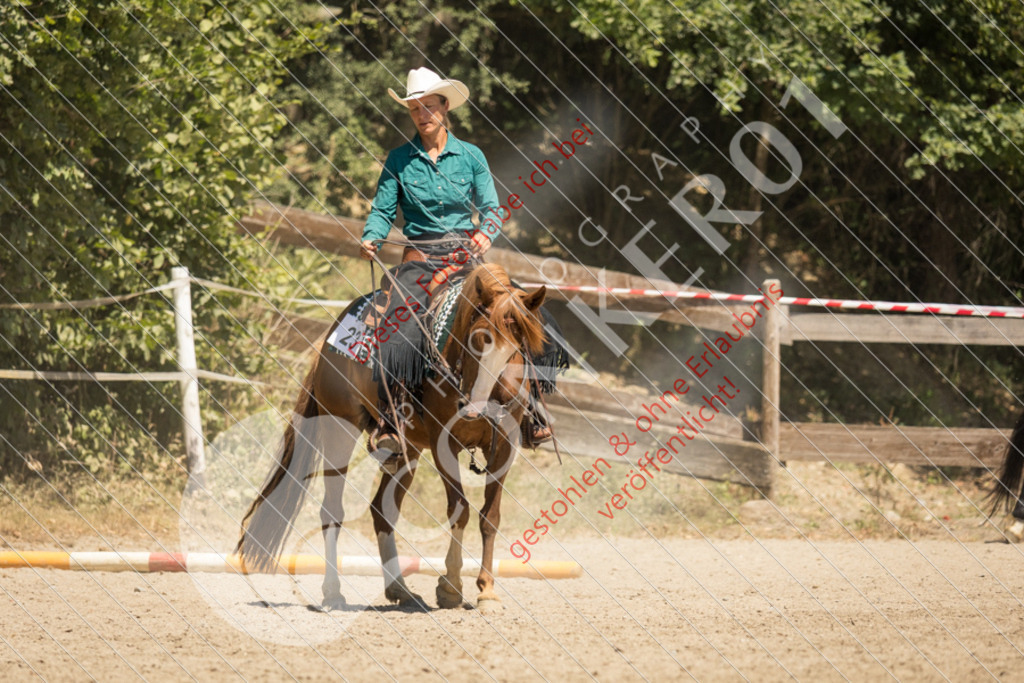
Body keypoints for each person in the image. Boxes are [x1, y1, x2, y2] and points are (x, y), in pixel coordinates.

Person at [359, 67, 555, 469]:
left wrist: (486, 233)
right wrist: (372, 234)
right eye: (415, 108)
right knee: (398, 326)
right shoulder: (399, 159)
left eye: (429, 106)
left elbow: (491, 209)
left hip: (468, 257)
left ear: (445, 107)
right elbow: (382, 210)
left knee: (530, 315)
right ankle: (391, 420)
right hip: (419, 259)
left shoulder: (470, 157)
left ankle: (532, 407)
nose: (422, 114)